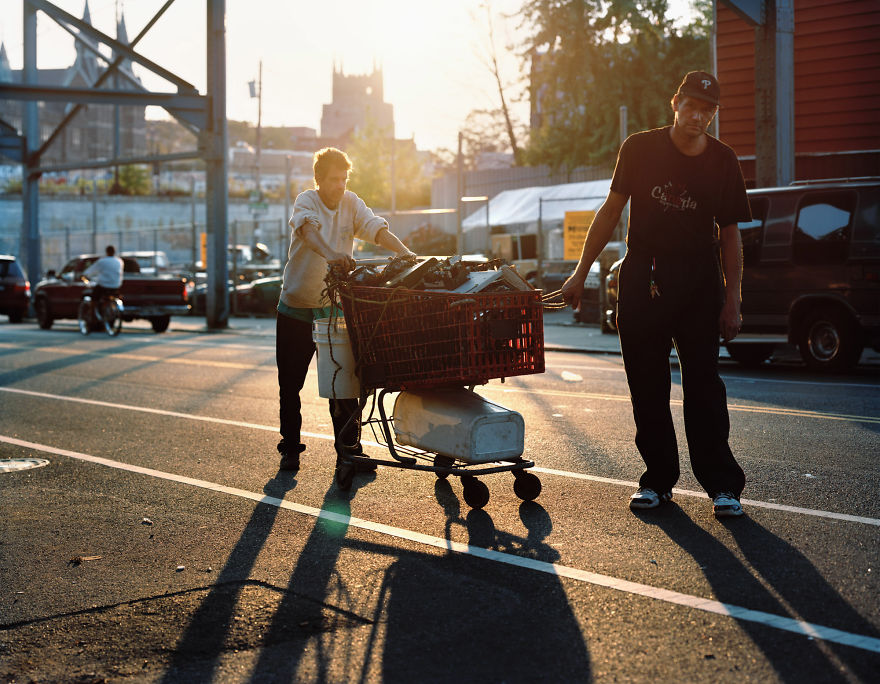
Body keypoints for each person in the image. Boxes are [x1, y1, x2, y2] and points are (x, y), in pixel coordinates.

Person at [561, 71, 752, 518]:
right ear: (676, 103)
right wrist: (579, 274)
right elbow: (611, 211)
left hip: (700, 283)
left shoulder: (724, 161)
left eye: (707, 109)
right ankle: (657, 480)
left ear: (714, 114)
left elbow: (729, 235)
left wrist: (733, 299)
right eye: (691, 105)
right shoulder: (639, 148)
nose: (697, 115)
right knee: (646, 384)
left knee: (704, 385)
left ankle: (723, 486)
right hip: (644, 277)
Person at [275, 147, 415, 472]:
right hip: (295, 309)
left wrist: (408, 254)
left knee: (342, 384)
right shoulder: (306, 201)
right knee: (291, 385)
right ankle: (290, 448)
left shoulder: (351, 202)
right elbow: (308, 233)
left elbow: (376, 229)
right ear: (319, 180)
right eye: (334, 180)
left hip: (331, 311)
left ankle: (349, 451)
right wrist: (333, 254)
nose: (340, 185)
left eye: (344, 178)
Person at [83, 244, 124, 314]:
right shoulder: (119, 261)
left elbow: (89, 272)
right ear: (114, 252)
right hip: (116, 286)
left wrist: (85, 276)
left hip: (104, 286)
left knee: (94, 298)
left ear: (106, 252)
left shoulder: (102, 261)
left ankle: (93, 316)